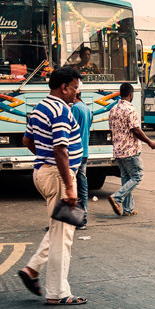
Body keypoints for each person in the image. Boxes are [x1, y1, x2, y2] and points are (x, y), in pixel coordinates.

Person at [17, 65, 86, 305]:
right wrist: (69, 186)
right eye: (75, 88)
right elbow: (60, 150)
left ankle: (32, 270)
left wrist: (43, 159)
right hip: (59, 176)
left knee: (60, 230)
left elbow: (27, 139)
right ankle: (57, 293)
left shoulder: (39, 107)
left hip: (44, 173)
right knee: (62, 237)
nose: (76, 94)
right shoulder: (61, 110)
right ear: (64, 87)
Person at [106, 82, 155, 217]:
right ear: (131, 94)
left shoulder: (113, 110)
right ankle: (116, 197)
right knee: (137, 176)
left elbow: (111, 131)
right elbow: (135, 129)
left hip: (118, 150)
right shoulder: (130, 110)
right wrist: (149, 142)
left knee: (126, 178)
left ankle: (128, 209)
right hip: (130, 151)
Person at [70, 83, 93, 230]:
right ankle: (82, 219)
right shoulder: (87, 109)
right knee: (82, 186)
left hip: (74, 153)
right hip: (84, 152)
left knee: (69, 185)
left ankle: (66, 221)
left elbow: (70, 131)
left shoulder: (74, 109)